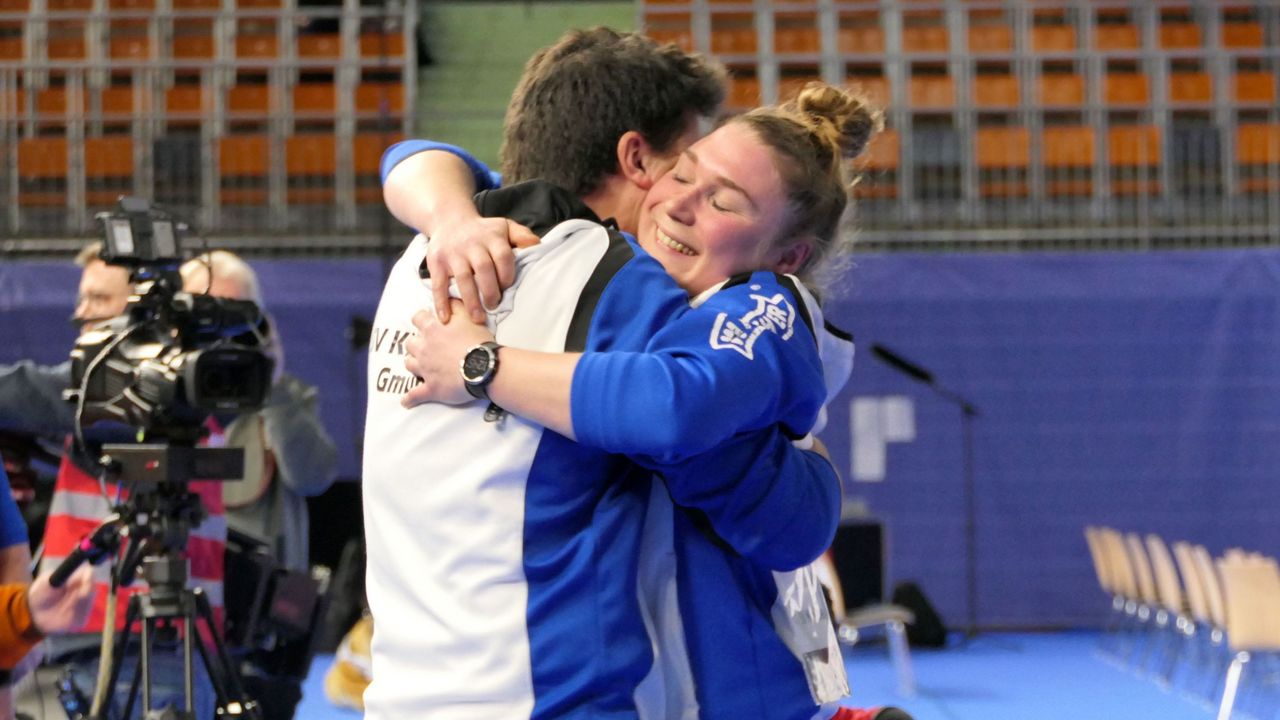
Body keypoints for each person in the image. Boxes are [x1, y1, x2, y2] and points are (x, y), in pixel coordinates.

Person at [364, 27, 847, 719]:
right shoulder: (621, 284)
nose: (680, 200)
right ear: (638, 160)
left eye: (722, 196)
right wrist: (807, 463)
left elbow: (412, 155)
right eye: (684, 167)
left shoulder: (429, 256)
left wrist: (446, 216)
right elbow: (782, 508)